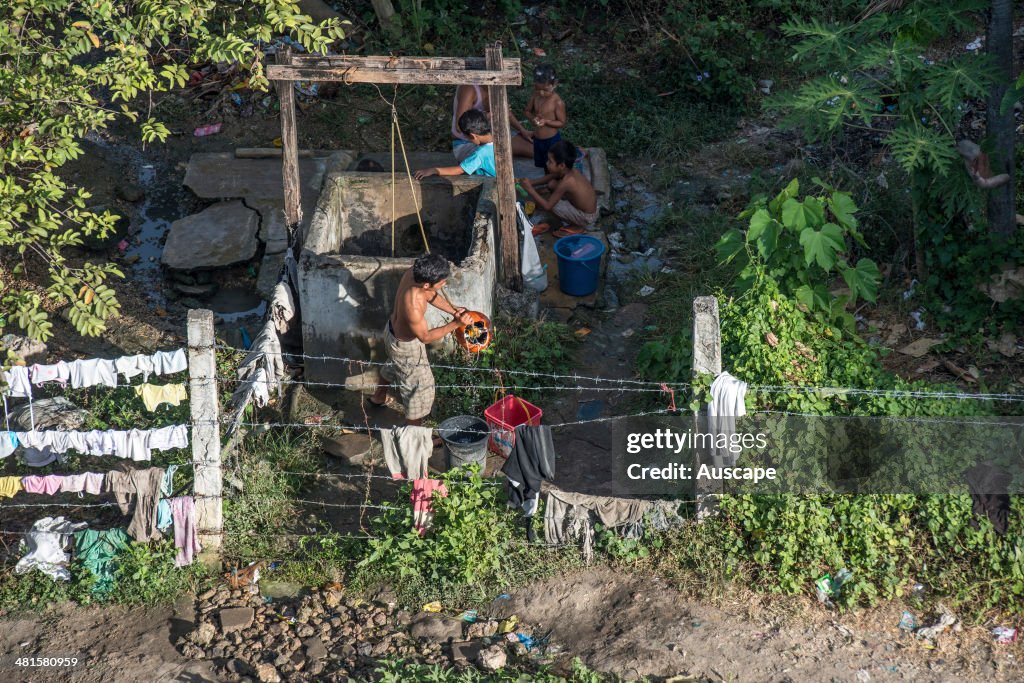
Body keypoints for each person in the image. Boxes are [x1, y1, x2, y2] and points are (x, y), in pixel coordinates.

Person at [371, 253, 472, 426]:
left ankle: (378, 397)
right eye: (442, 282)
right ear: (427, 284)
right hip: (405, 346)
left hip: (392, 332)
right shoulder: (413, 305)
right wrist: (456, 323)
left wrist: (453, 310)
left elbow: (431, 294)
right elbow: (425, 337)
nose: (444, 284)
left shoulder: (415, 273)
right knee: (419, 389)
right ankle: (415, 436)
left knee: (395, 364)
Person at [520, 139, 598, 232]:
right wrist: (531, 182)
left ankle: (577, 226)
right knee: (552, 183)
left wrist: (530, 189)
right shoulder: (570, 171)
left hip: (586, 217)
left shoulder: (568, 181)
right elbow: (550, 177)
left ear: (561, 166)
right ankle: (574, 217)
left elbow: (548, 206)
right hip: (588, 208)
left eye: (550, 162)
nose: (547, 163)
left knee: (553, 205)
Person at [450, 84, 533, 163]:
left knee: (532, 148)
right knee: (495, 159)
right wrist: (493, 114)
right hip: (466, 143)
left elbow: (506, 113)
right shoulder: (469, 88)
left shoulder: (496, 87)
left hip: (490, 137)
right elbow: (459, 126)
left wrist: (523, 130)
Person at [415, 110, 495, 179]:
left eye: (468, 138)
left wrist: (434, 170)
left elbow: (460, 170)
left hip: (492, 184)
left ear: (472, 136)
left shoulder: (480, 154)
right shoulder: (499, 140)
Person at [523, 64, 566, 169]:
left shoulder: (557, 102)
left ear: (554, 84)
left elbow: (561, 122)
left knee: (552, 166)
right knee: (542, 164)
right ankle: (547, 179)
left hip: (551, 141)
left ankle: (551, 182)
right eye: (538, 89)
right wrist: (532, 118)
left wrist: (546, 121)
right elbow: (527, 111)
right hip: (538, 139)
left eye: (545, 90)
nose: (541, 93)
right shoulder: (535, 95)